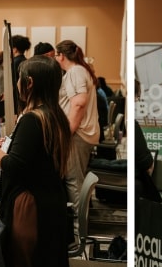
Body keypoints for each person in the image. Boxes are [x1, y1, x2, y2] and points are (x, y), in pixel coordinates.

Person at [0, 55, 70, 267]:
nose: (17, 83)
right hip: (50, 202)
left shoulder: (32, 119)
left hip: (31, 207)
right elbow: (37, 157)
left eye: (19, 78)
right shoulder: (56, 116)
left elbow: (13, 167)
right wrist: (8, 146)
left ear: (29, 83)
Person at [55, 39, 100, 243]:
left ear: (61, 56)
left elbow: (79, 103)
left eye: (56, 56)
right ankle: (79, 228)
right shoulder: (81, 70)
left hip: (78, 134)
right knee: (75, 179)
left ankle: (77, 233)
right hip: (83, 134)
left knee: (73, 181)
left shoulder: (75, 72)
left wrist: (67, 132)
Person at [11, 35, 31, 114]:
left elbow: (12, 82)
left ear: (15, 49)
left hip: (16, 97)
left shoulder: (15, 62)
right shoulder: (26, 61)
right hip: (24, 95)